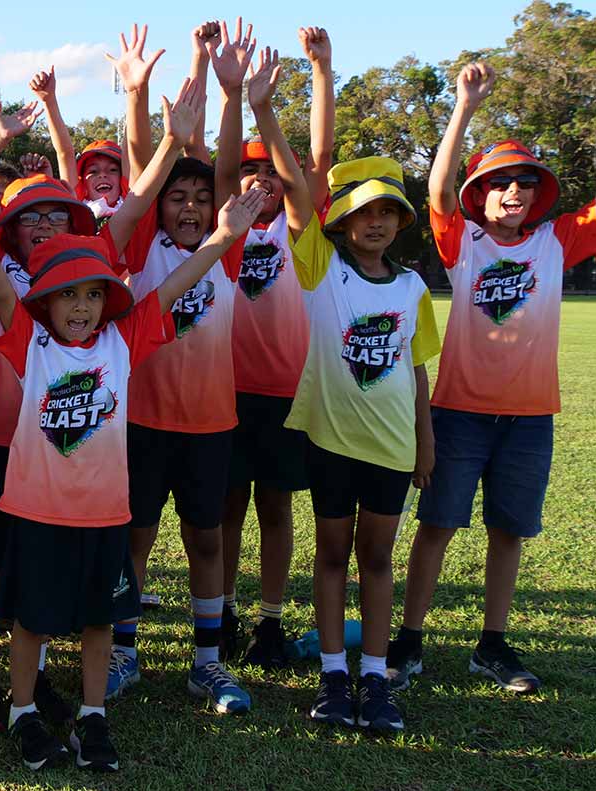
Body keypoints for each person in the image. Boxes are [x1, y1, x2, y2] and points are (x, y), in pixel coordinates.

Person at [0, 149, 265, 770]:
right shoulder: (30, 337)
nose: (79, 307)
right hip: (37, 509)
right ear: (44, 302)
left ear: (109, 298)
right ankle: (22, 711)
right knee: (30, 619)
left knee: (101, 619)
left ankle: (92, 716)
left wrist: (225, 237)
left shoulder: (125, 337)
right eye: (65, 295)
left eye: (92, 294)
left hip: (103, 512)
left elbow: (176, 284)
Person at [390, 62, 596, 694]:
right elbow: (440, 184)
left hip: (531, 418)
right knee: (439, 525)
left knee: (509, 531)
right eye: (499, 182)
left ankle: (492, 645)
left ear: (538, 195)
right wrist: (464, 107)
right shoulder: (466, 241)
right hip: (460, 413)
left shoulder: (558, 241)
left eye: (523, 183)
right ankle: (411, 639)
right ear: (482, 194)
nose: (512, 192)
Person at [251, 48, 438, 732]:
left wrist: (426, 443)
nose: (377, 222)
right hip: (331, 441)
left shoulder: (415, 287)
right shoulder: (321, 268)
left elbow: (417, 372)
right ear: (342, 222)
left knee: (377, 559)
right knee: (331, 555)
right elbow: (299, 186)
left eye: (388, 212)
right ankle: (335, 674)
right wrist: (267, 108)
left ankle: (377, 676)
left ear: (401, 221)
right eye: (364, 212)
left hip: (391, 447)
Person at [114, 19, 256, 712]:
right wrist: (138, 95)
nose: (193, 205)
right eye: (180, 196)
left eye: (202, 198)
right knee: (135, 539)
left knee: (206, 537)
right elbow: (145, 160)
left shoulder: (227, 246)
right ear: (160, 206)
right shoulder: (142, 248)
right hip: (142, 421)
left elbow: (226, 171)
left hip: (209, 424)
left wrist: (231, 95)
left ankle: (207, 661)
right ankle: (122, 652)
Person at [221, 26, 334, 670]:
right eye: (250, 171)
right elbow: (221, 164)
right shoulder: (226, 234)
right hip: (227, 392)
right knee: (230, 508)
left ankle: (268, 617)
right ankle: (228, 608)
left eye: (271, 172)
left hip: (289, 393)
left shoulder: (299, 232)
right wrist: (232, 93)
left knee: (275, 508)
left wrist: (321, 71)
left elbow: (316, 157)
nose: (262, 181)